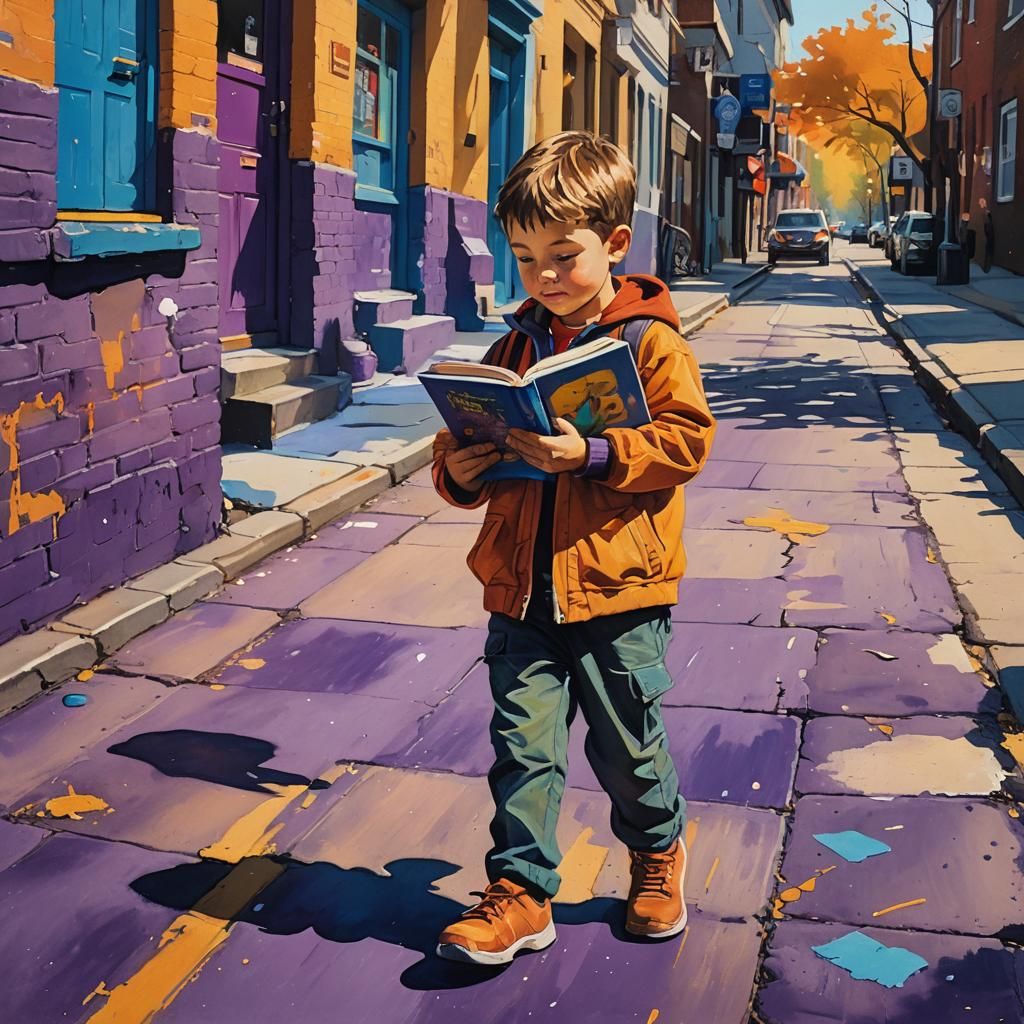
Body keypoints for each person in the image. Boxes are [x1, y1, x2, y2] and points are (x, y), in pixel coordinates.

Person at [430, 130, 716, 966]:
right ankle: (520, 892)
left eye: (563, 256)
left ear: (615, 245)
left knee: (626, 745)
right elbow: (455, 464)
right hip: (520, 592)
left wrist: (590, 454)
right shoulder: (512, 348)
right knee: (523, 748)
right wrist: (462, 467)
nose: (545, 277)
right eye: (525, 259)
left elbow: (686, 442)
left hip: (620, 592)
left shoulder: (651, 341)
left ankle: (658, 851)